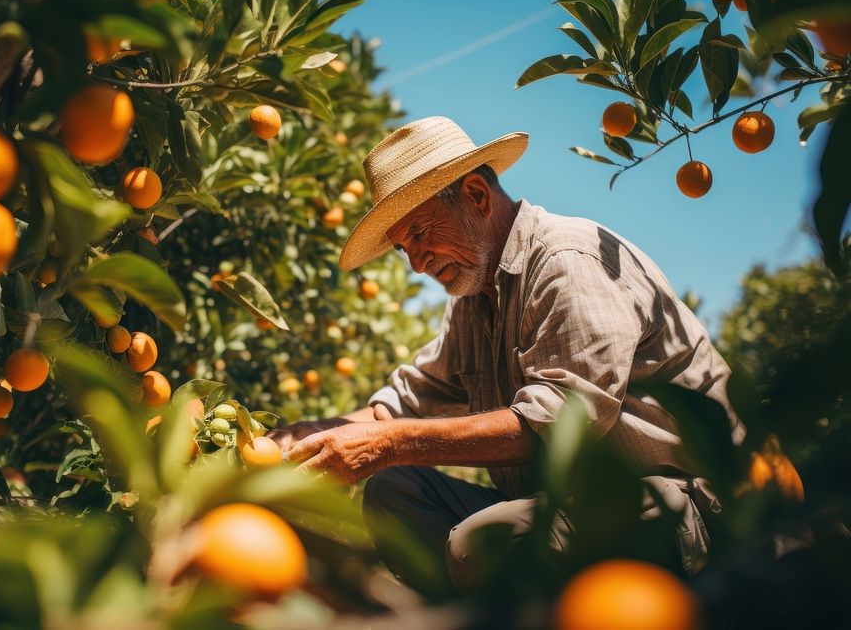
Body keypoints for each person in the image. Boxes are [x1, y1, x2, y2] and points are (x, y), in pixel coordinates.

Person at [268, 116, 745, 590]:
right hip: (562, 505)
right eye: (401, 249)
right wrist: (313, 437)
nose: (416, 264)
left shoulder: (567, 261)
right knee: (397, 490)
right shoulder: (474, 301)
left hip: (683, 500)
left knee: (480, 542)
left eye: (417, 232)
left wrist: (388, 444)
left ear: (475, 196)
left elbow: (560, 424)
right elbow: (404, 400)